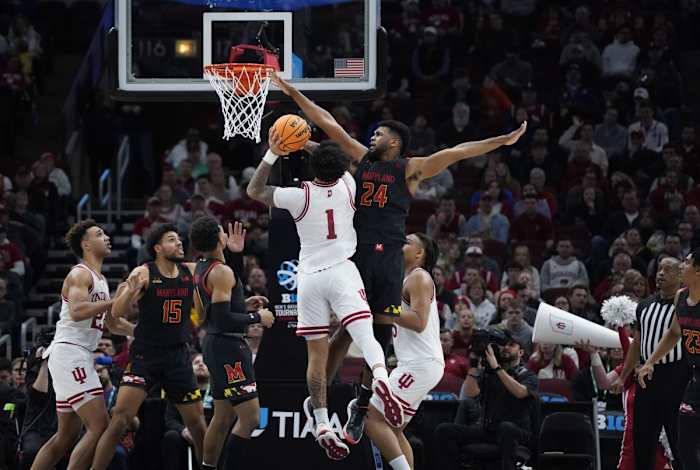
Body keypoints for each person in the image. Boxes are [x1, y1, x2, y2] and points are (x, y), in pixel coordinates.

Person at [273, 73, 527, 442]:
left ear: (395, 141)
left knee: (377, 332)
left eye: (379, 134)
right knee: (346, 330)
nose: (371, 137)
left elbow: (458, 152)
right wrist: (292, 93)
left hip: (390, 257)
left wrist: (502, 141)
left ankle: (360, 407)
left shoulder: (411, 168)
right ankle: (319, 402)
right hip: (357, 252)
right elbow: (328, 123)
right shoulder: (361, 160)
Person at [246, 134, 404, 458]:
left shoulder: (299, 195)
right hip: (342, 271)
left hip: (309, 278)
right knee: (364, 332)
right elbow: (335, 160)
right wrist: (309, 143)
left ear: (310, 169)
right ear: (340, 167)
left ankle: (320, 423)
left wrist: (275, 152)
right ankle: (383, 380)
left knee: (316, 357)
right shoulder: (349, 184)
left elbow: (254, 190)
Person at [90, 224, 207, 470]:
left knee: (197, 424)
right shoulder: (144, 273)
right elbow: (117, 313)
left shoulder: (191, 270)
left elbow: (222, 280)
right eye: (172, 240)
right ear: (157, 248)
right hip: (146, 356)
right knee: (120, 420)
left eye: (179, 240)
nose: (179, 244)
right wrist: (128, 292)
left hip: (178, 356)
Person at [31, 221, 132, 470]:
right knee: (100, 426)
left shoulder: (101, 279)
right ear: (85, 244)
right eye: (99, 234)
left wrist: (138, 331)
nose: (107, 236)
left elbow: (112, 323)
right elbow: (77, 311)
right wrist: (113, 301)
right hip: (70, 353)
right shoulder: (80, 273)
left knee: (65, 437)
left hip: (77, 355)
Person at [189, 217, 273, 470]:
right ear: (217, 239)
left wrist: (242, 305)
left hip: (215, 345)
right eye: (222, 232)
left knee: (223, 417)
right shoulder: (221, 272)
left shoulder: (202, 266)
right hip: (228, 347)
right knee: (250, 418)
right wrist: (258, 317)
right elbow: (224, 319)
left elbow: (216, 312)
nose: (226, 235)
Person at [364, 233, 444, 470]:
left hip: (420, 364)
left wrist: (384, 307)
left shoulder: (419, 277)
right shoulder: (403, 279)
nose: (400, 241)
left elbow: (419, 321)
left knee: (369, 417)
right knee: (393, 428)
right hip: (416, 364)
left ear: (419, 254)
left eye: (407, 241)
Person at [616, 257, 688, 470]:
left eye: (667, 270)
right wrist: (622, 377)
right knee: (642, 438)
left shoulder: (686, 305)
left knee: (678, 440)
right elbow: (636, 344)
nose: (661, 274)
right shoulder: (645, 305)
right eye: (659, 269)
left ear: (680, 276)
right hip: (646, 377)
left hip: (676, 376)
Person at [435, 332, 538, 470]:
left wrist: (497, 368)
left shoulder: (527, 374)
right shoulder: (490, 371)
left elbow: (520, 392)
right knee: (444, 430)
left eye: (511, 345)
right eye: (504, 345)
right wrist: (473, 362)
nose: (506, 348)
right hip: (488, 430)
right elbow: (472, 393)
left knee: (506, 427)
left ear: (521, 352)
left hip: (517, 432)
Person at [639, 249, 700, 470]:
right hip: (695, 378)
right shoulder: (680, 297)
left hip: (689, 374)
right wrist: (650, 362)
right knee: (684, 444)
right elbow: (674, 332)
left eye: (686, 262)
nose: (681, 266)